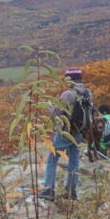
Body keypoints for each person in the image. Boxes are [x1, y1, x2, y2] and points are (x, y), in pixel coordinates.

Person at [38, 68, 93, 201]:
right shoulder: (87, 93)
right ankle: (71, 191)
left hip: (65, 132)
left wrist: (48, 106)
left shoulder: (68, 94)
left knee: (52, 159)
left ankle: (47, 190)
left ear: (70, 79)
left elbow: (57, 113)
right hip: (79, 132)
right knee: (74, 160)